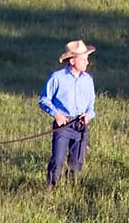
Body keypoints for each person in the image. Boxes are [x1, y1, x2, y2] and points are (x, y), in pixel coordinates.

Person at [39, 39, 96, 187]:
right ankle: (51, 189)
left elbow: (91, 106)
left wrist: (88, 115)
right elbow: (44, 99)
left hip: (80, 126)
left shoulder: (88, 80)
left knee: (76, 162)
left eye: (87, 59)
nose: (87, 63)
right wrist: (56, 114)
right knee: (57, 160)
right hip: (63, 125)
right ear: (72, 61)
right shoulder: (57, 78)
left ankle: (71, 188)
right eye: (83, 59)